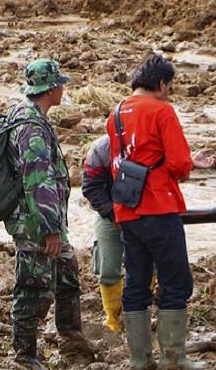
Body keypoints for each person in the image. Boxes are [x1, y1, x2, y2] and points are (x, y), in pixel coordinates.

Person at [106, 54, 215, 370]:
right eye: (169, 86)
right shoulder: (162, 112)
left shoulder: (115, 114)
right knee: (176, 282)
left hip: (128, 209)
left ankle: (140, 360)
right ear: (160, 83)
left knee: (136, 283)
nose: (169, 92)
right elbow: (179, 164)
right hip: (159, 206)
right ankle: (174, 358)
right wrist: (187, 165)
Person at [5, 59, 95, 369]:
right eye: (60, 84)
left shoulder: (29, 116)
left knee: (67, 274)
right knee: (32, 288)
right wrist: (50, 229)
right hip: (36, 223)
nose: (63, 89)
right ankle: (25, 355)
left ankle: (71, 340)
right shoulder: (31, 127)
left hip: (46, 220)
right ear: (51, 88)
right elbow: (36, 180)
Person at [82, 134, 125, 332]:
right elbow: (90, 187)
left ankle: (139, 313)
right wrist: (112, 213)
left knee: (149, 265)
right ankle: (113, 320)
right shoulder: (101, 149)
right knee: (107, 267)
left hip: (146, 212)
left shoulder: (150, 141)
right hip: (110, 212)